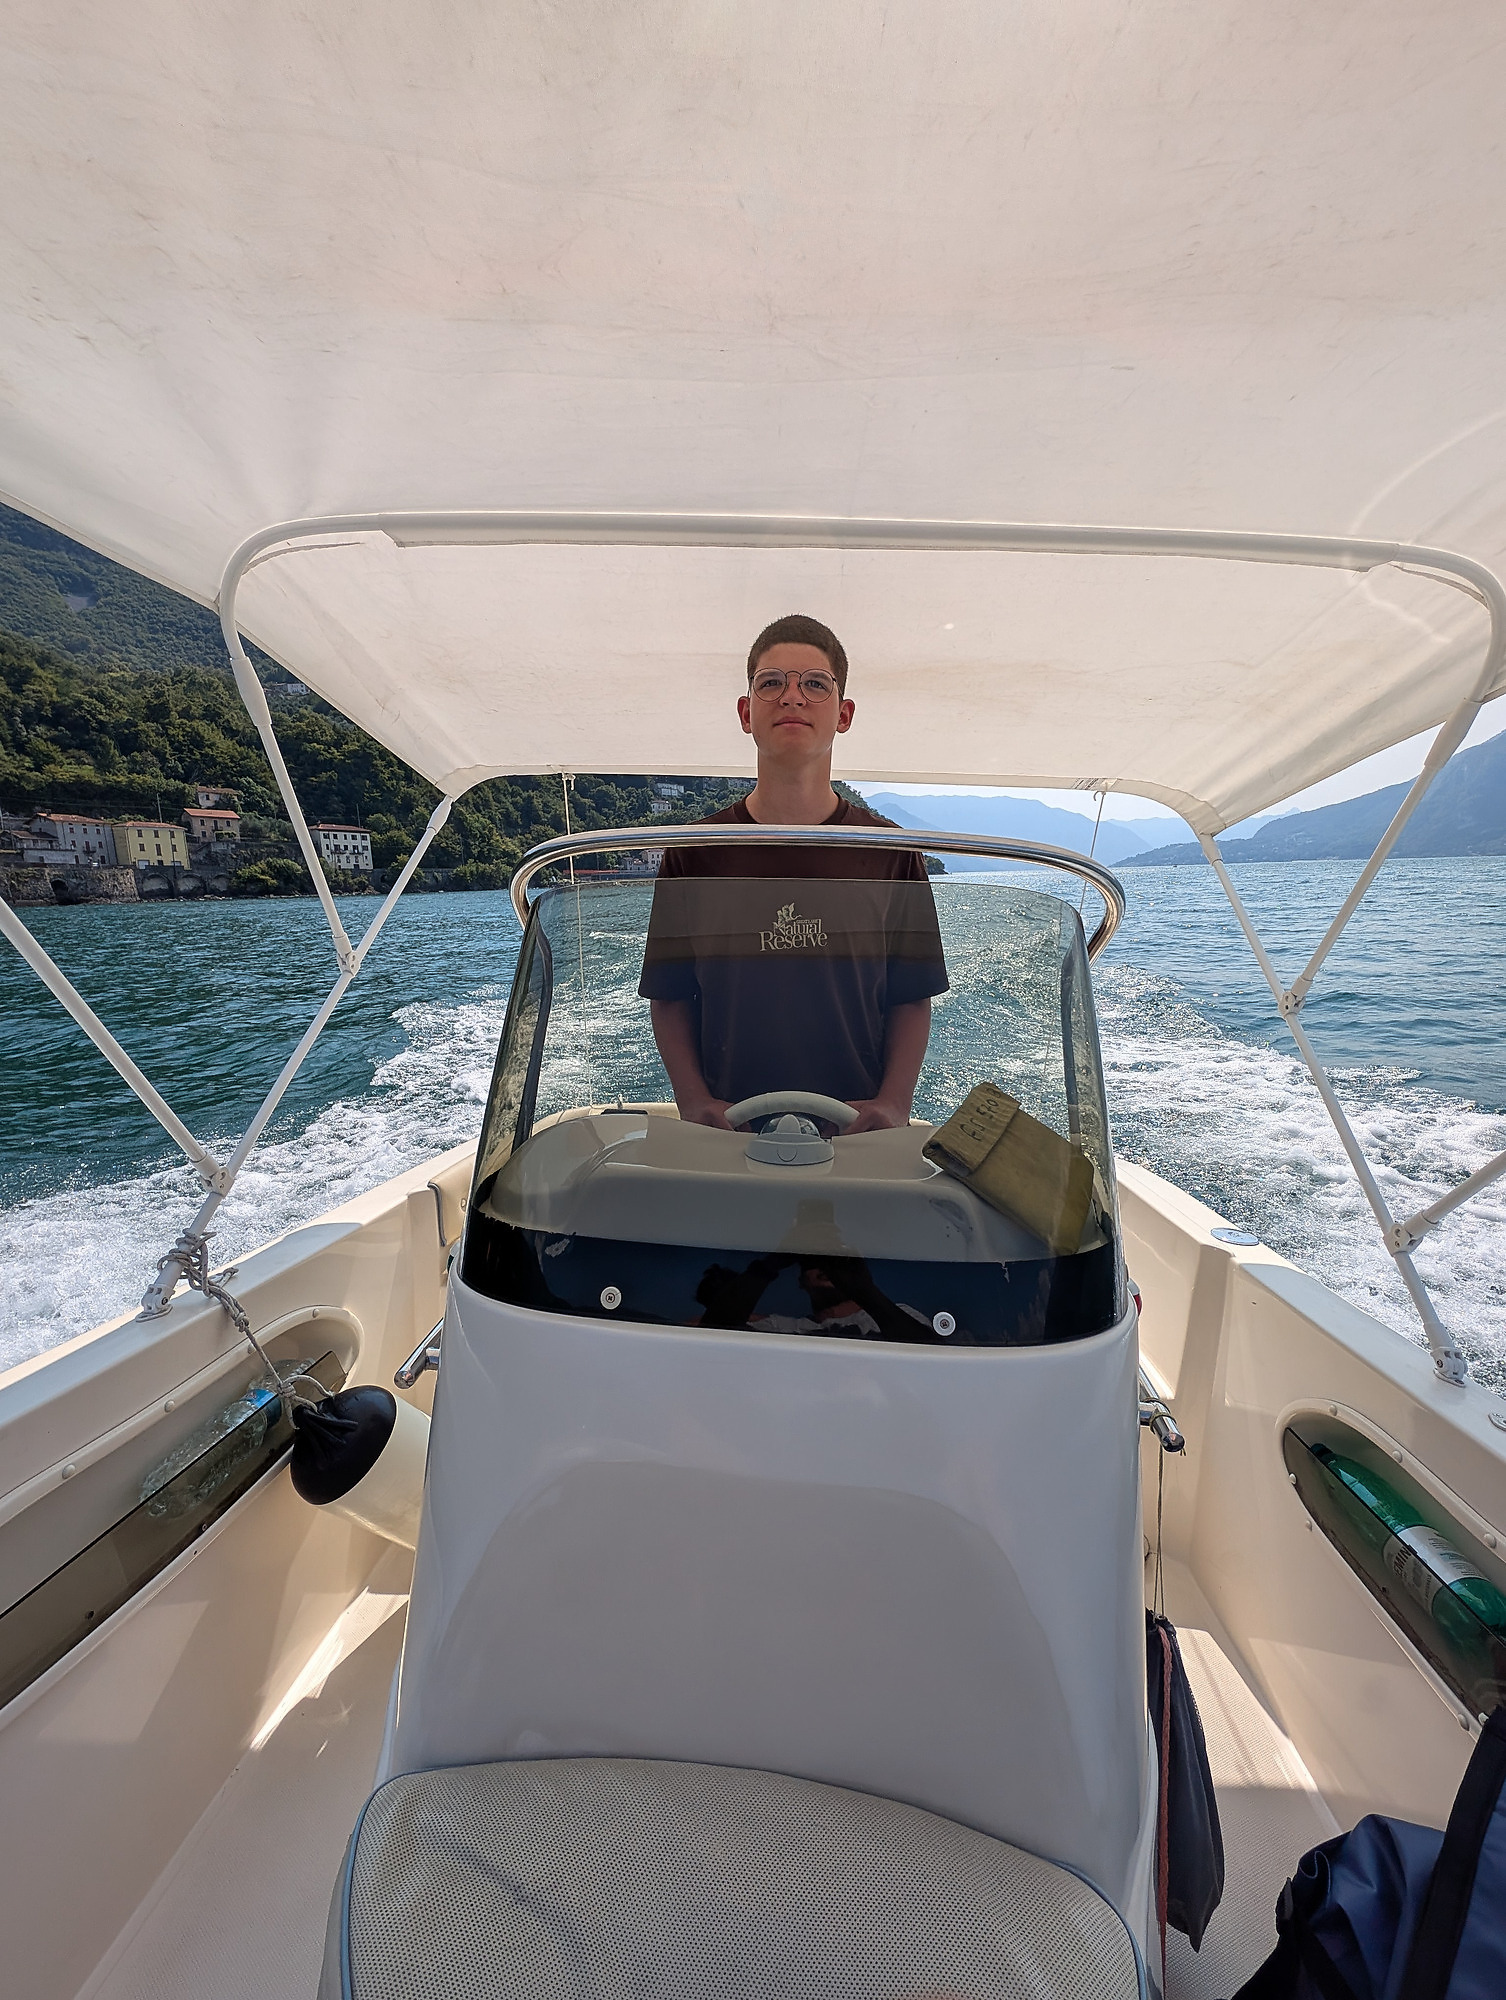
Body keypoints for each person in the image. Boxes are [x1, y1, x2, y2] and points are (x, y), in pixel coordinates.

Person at [639, 614, 948, 1131]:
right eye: (771, 683)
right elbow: (669, 996)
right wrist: (694, 1102)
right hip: (728, 1134)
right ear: (746, 712)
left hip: (855, 1134)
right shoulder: (695, 852)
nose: (792, 697)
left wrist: (894, 1103)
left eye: (815, 684)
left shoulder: (890, 852)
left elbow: (912, 995)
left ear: (843, 714)